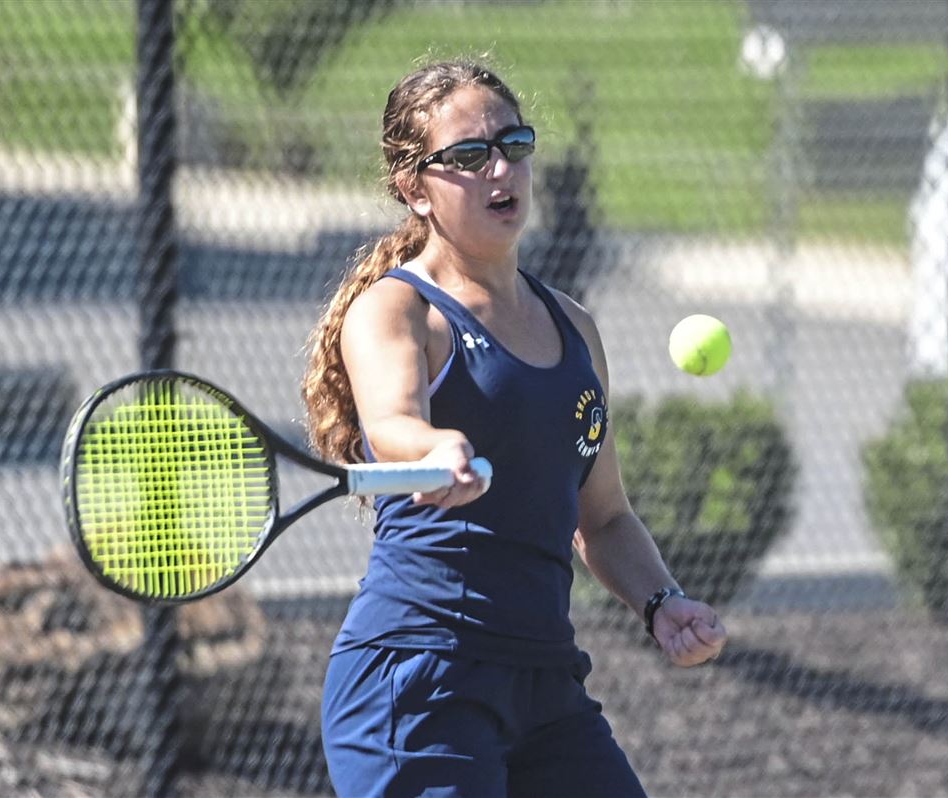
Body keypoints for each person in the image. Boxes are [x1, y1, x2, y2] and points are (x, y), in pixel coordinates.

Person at [302, 58, 727, 798]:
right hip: (418, 676)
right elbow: (394, 422)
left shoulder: (575, 327)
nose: (501, 169)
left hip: (545, 685)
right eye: (468, 157)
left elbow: (605, 517)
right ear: (415, 189)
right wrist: (436, 449)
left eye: (513, 144)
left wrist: (662, 604)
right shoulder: (399, 312)